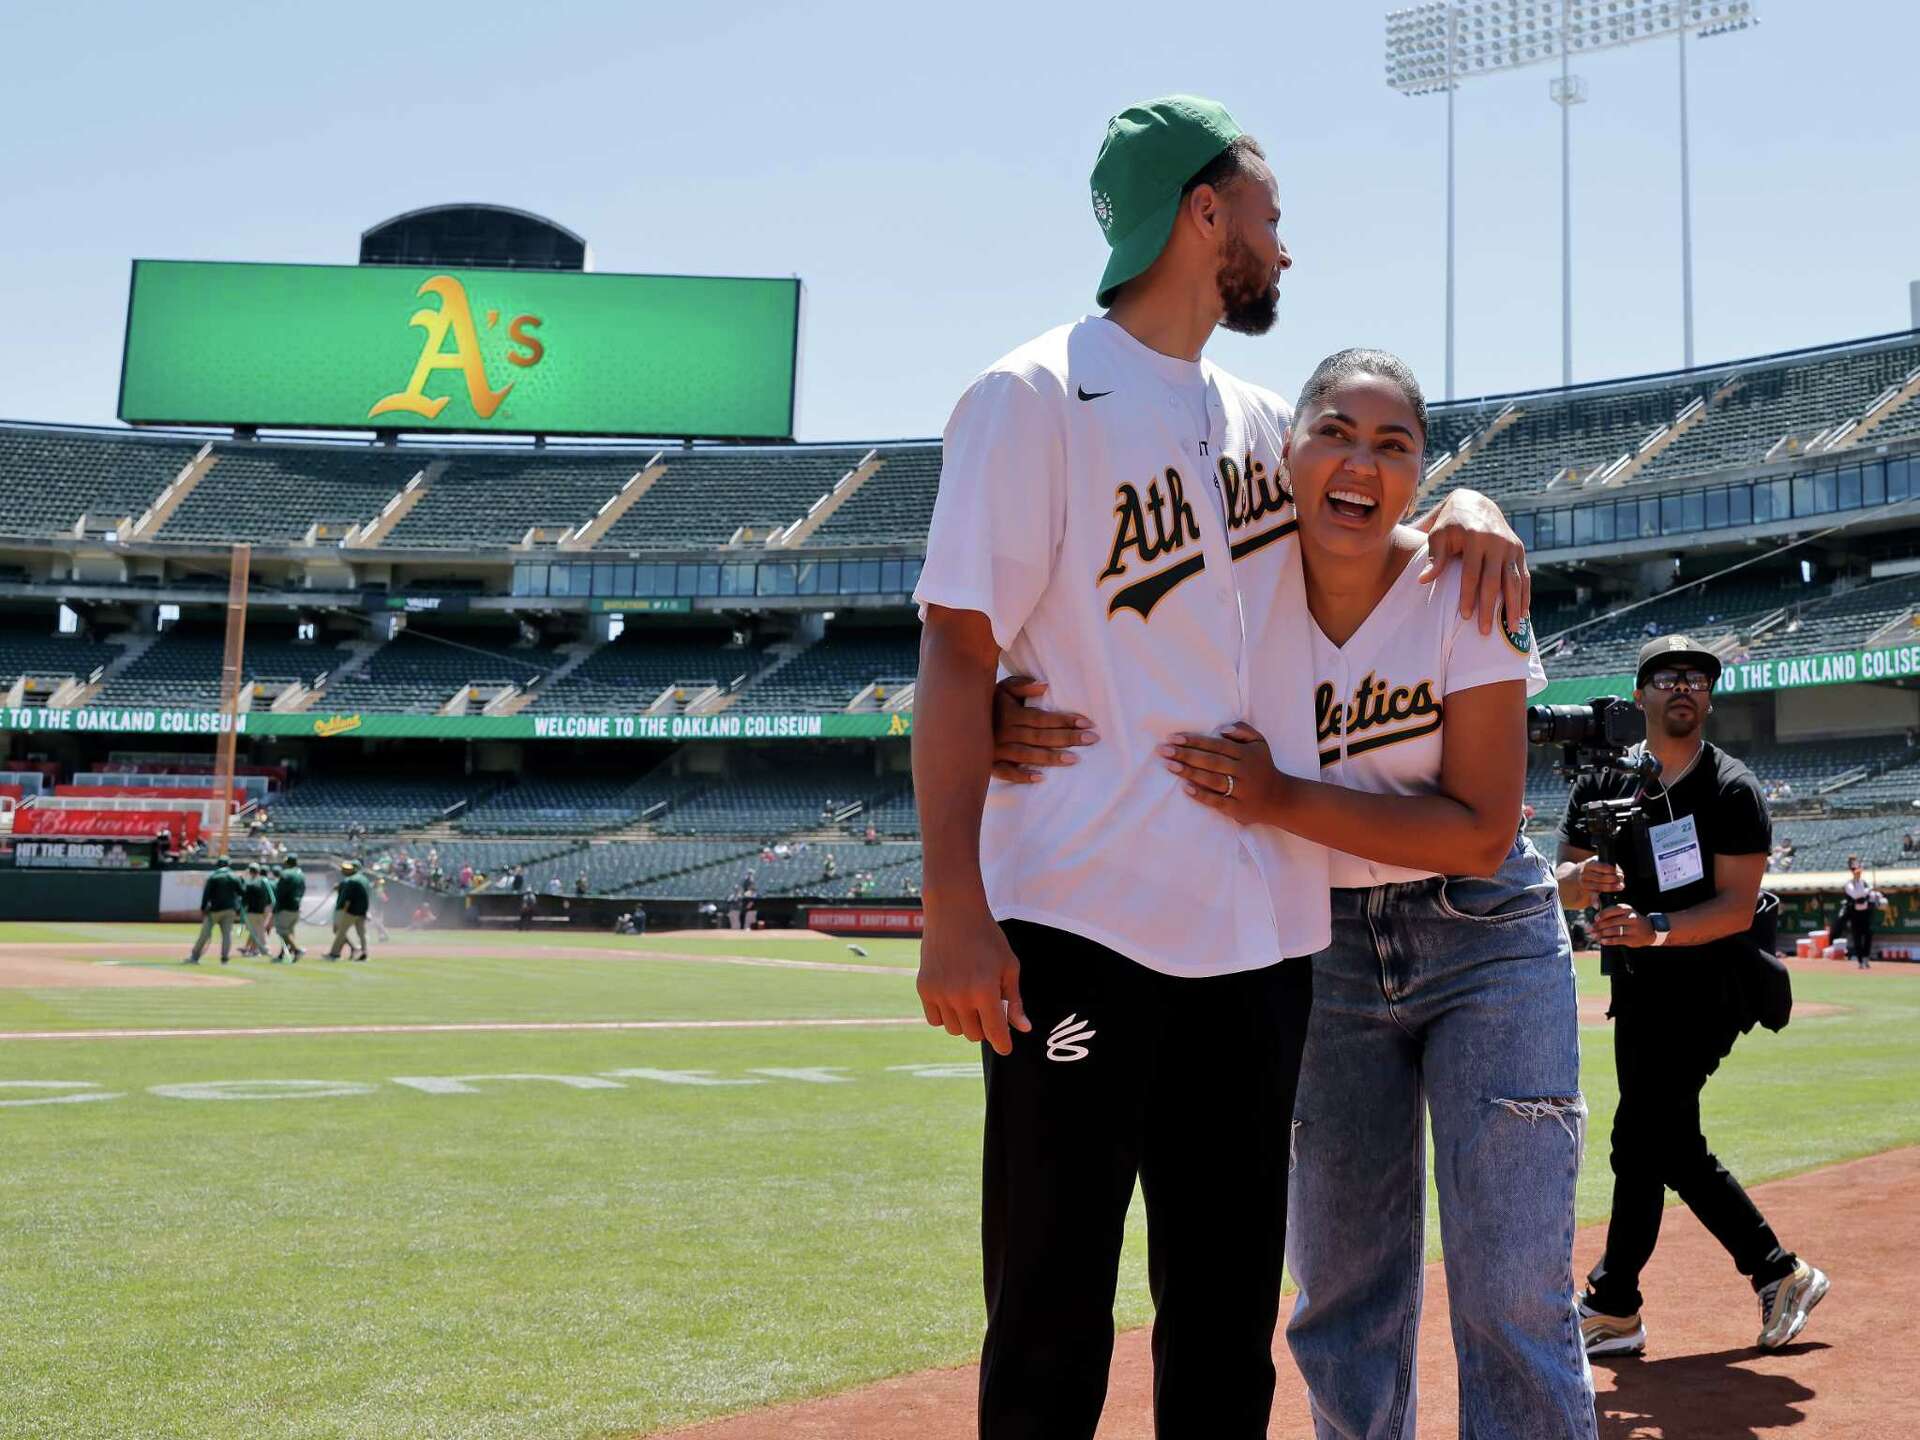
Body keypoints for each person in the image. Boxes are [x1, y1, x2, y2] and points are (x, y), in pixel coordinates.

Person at [913, 95, 1526, 1439]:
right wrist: (953, 909)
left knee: (1229, 1320)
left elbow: (1386, 526)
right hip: (1078, 916)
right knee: (1052, 1306)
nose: (1284, 250)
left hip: (1256, 943)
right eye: (1270, 214)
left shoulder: (1263, 420)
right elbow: (957, 651)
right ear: (1205, 213)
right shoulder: (1030, 395)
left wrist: (1472, 503)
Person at [1028, 351, 1587, 1435]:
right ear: (1285, 452)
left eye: (1395, 445)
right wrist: (1005, 702)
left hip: (1487, 941)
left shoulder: (1464, 586)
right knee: (1340, 1298)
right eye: (1334, 430)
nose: (1359, 462)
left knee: (1514, 1288)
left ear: (1424, 473)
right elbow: (1093, 632)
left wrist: (1278, 796)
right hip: (1312, 942)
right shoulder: (1228, 590)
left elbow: (1479, 831)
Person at [1557, 635, 1828, 1354]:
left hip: (1715, 983)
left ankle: (1762, 1273)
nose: (1684, 687)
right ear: (1641, 694)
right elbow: (1563, 876)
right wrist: (1588, 889)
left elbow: (1737, 907)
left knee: (1647, 1136)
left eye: (1698, 679)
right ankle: (1625, 1303)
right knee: (1652, 1142)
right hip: (1640, 986)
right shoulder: (1602, 784)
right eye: (1668, 676)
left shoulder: (1731, 787)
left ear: (1707, 698)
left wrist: (1654, 926)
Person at [185, 856, 244, 965]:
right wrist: (239, 908)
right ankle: (225, 958)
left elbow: (206, 895)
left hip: (214, 910)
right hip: (230, 910)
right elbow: (242, 892)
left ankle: (195, 956)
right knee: (227, 934)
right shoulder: (234, 877)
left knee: (205, 934)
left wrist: (203, 908)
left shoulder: (213, 877)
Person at [327, 860, 372, 961]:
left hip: (351, 911)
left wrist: (344, 911)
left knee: (340, 932)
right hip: (362, 911)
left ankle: (334, 954)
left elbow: (348, 898)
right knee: (362, 934)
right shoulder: (365, 879)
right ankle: (364, 952)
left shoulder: (351, 880)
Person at [1841, 857, 1881, 969]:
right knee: (1857, 938)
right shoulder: (1849, 884)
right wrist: (1868, 891)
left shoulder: (1864, 883)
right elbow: (1856, 895)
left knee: (1868, 936)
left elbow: (1871, 896)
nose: (1858, 875)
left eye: (1859, 873)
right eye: (1856, 873)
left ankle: (1866, 958)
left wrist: (1875, 896)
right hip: (1855, 914)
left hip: (1865, 914)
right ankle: (1860, 961)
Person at [271, 855, 305, 962]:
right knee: (289, 932)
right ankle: (282, 954)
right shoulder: (301, 874)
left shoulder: (285, 874)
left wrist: (276, 907)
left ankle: (297, 950)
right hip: (296, 907)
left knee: (282, 932)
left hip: (285, 907)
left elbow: (280, 892)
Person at [239, 862, 274, 958]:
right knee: (258, 931)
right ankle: (253, 949)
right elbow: (271, 899)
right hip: (262, 910)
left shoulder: (248, 883)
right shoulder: (264, 882)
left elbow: (243, 897)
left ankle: (260, 950)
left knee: (256, 932)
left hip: (251, 911)